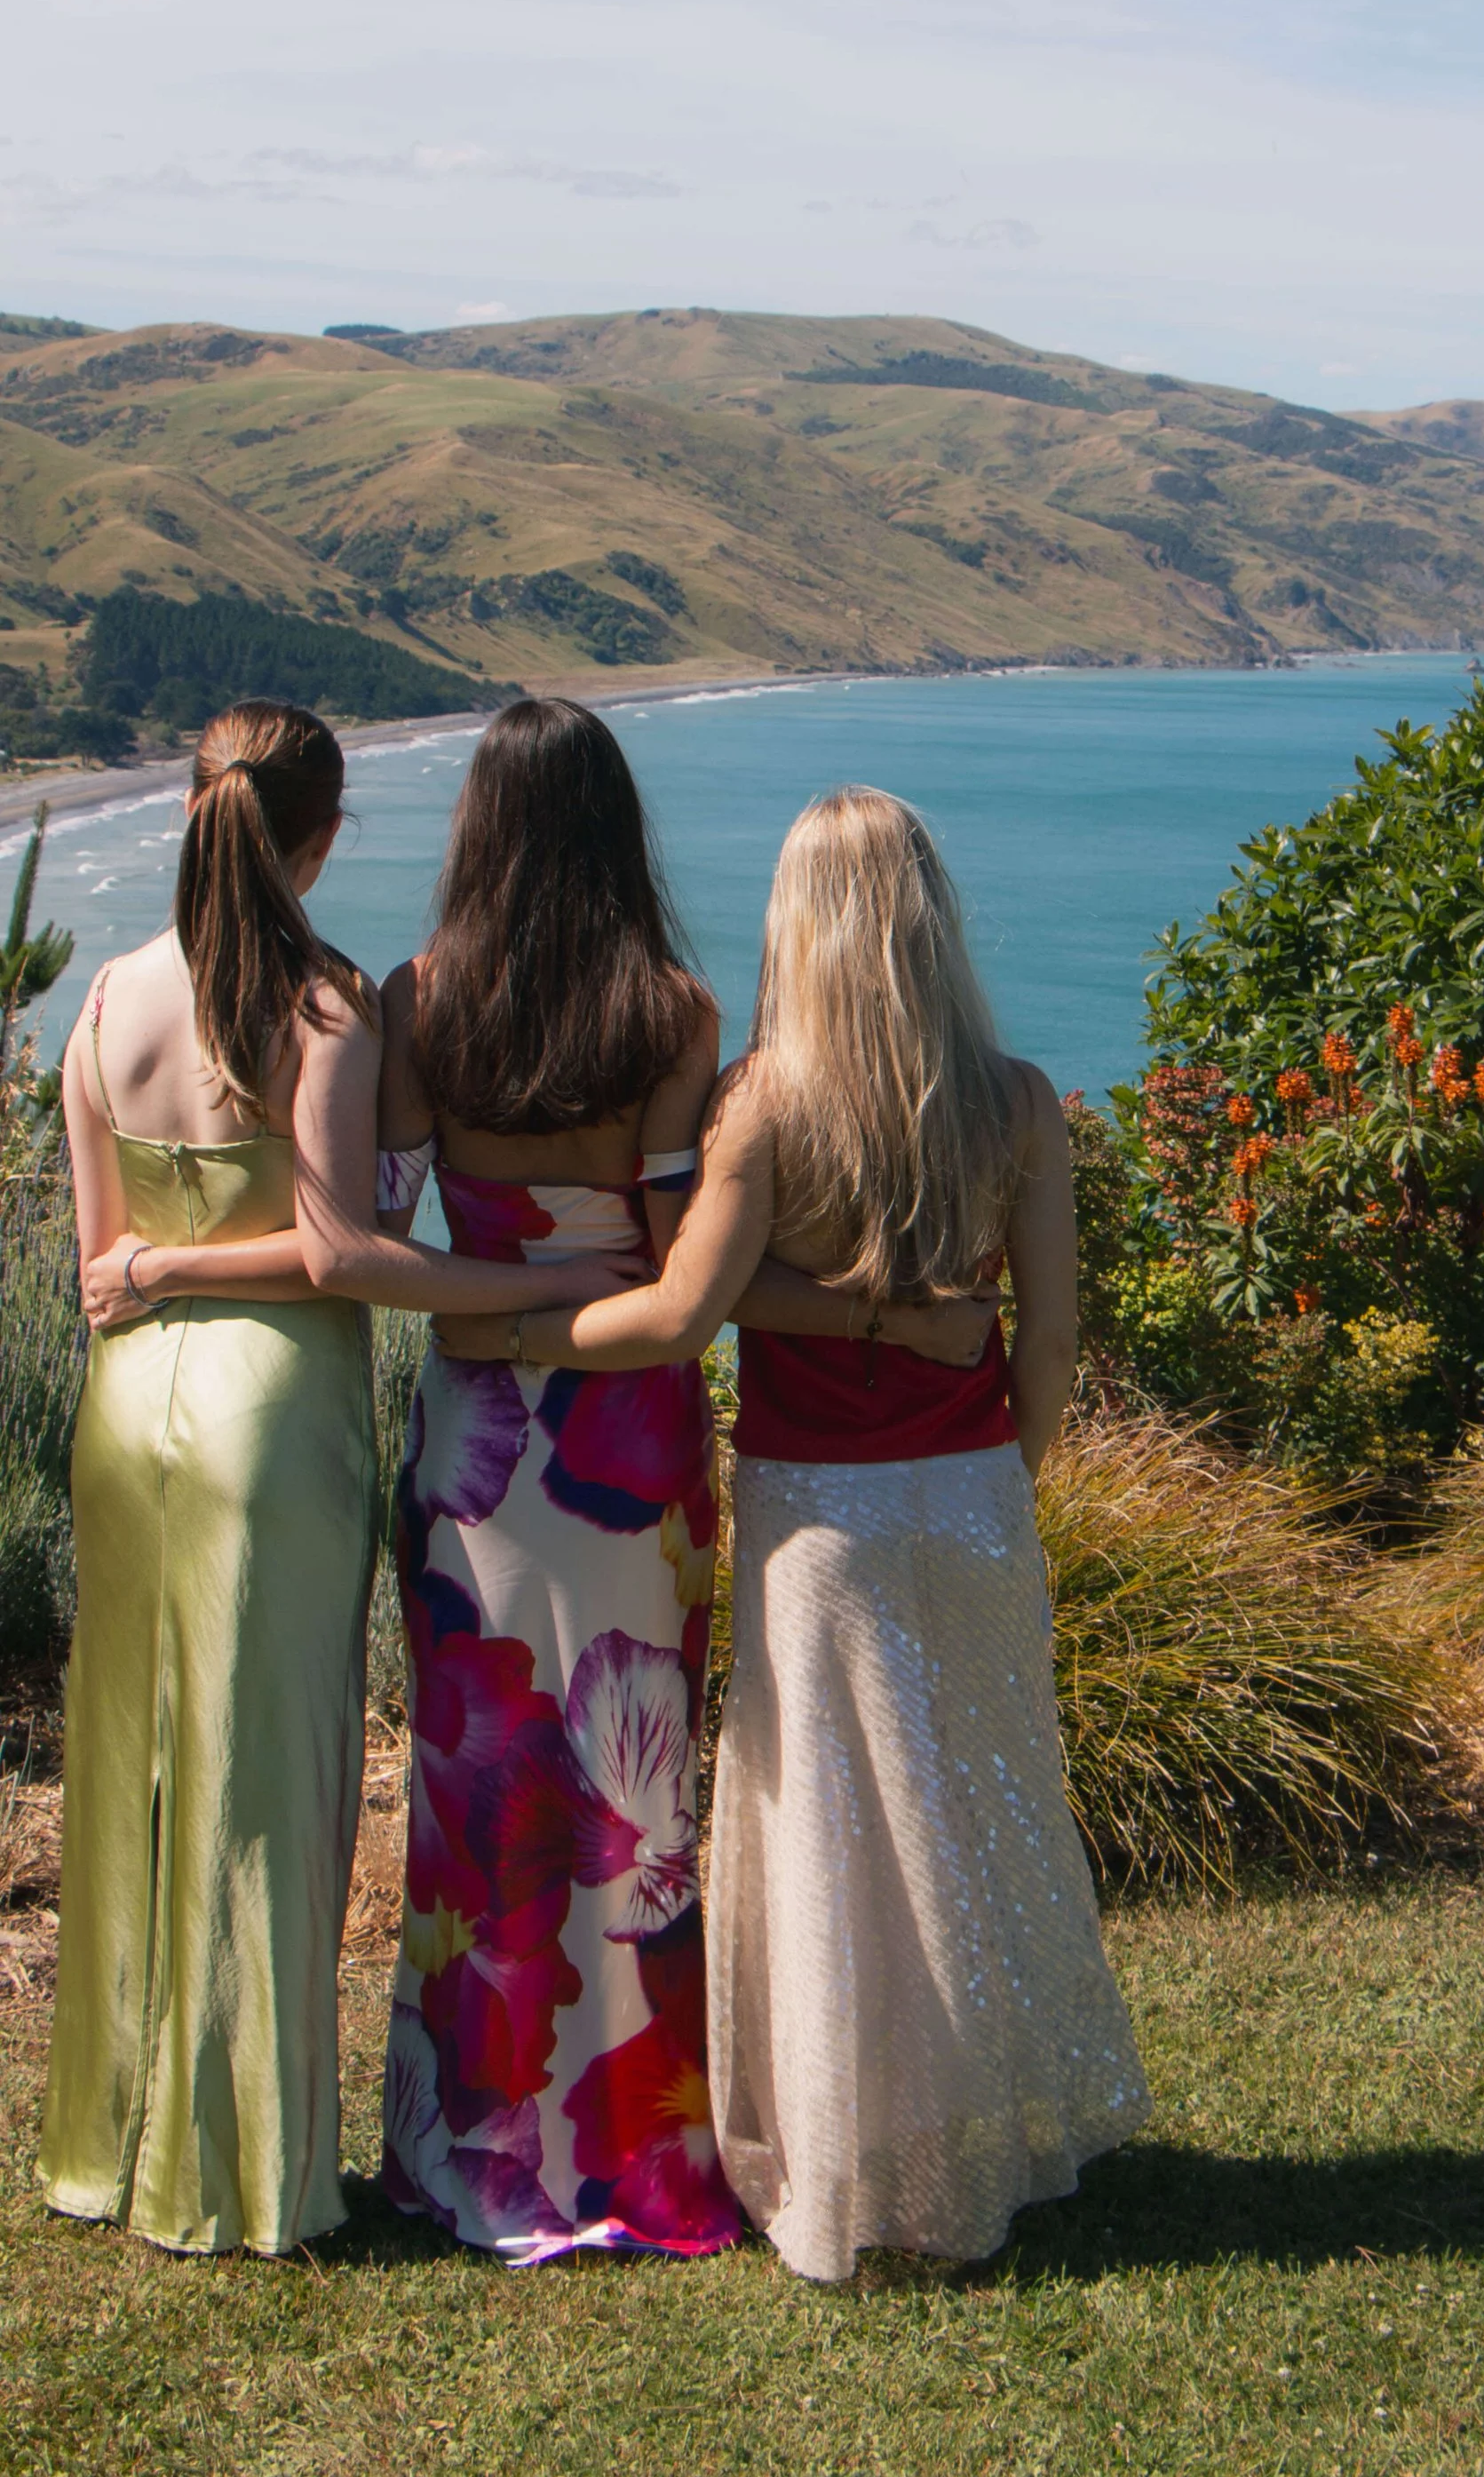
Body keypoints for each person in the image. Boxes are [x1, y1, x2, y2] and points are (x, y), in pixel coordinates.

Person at [442, 785, 1151, 2280]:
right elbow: (1050, 1346)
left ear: (800, 926)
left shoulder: (763, 1098)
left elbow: (687, 1307)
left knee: (829, 1844)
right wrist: (978, 1465)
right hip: (967, 1499)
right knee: (975, 1813)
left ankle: (845, 2173)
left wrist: (509, 1324)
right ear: (931, 919)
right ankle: (991, 2140)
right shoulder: (1017, 1101)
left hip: (813, 1515)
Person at [38, 700, 587, 2257]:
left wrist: (154, 1256)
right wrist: (504, 1288)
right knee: (268, 1784)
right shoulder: (326, 1010)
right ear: (322, 838)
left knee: (133, 1771)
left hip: (125, 1412)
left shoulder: (98, 1002)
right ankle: (250, 2168)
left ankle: (113, 2139)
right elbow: (344, 1252)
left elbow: (98, 1273)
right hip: (271, 1420)